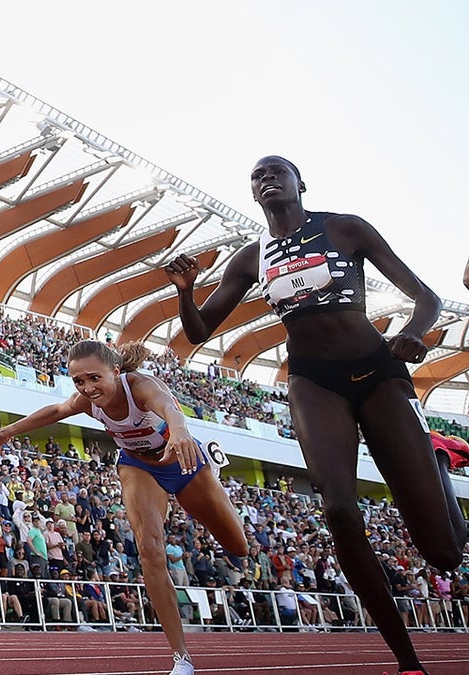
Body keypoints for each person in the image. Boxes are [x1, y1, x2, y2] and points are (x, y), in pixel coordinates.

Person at [164, 156, 468, 675]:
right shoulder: (250, 258)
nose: (267, 179)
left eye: (277, 171)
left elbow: (428, 297)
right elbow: (198, 333)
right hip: (312, 382)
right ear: (253, 195)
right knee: (339, 512)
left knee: (443, 554)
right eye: (257, 176)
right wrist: (185, 293)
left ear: (301, 183)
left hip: (378, 370)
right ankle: (408, 661)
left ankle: (437, 465)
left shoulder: (344, 228)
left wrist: (415, 334)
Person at [0, 340, 248, 675]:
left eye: (94, 378)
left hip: (182, 460)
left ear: (116, 371)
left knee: (239, 547)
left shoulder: (142, 388)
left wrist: (180, 431)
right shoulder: (87, 402)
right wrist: (6, 432)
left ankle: (213, 467)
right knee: (149, 550)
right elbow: (57, 412)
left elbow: (171, 410)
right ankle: (181, 658)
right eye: (78, 381)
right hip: (138, 466)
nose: (87, 388)